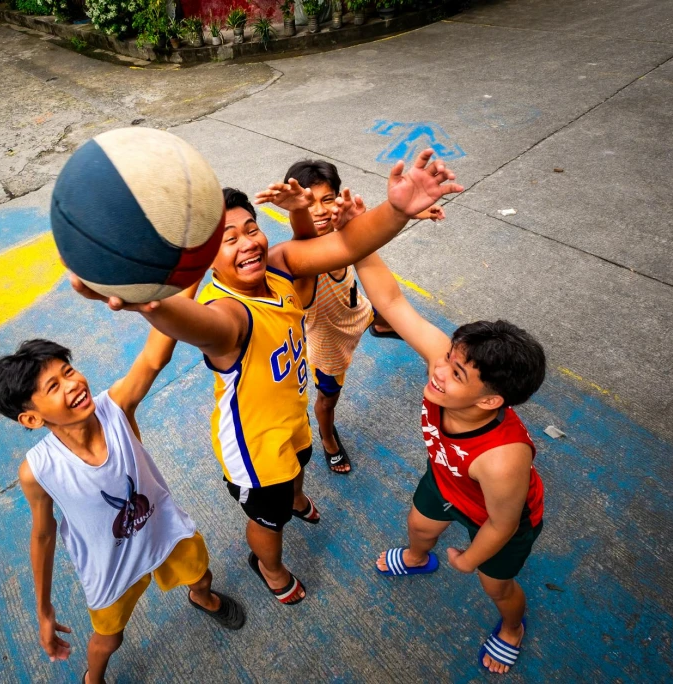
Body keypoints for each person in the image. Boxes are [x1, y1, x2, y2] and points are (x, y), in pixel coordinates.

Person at [71, 149, 463, 607]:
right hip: (255, 449)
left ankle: (298, 499)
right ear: (204, 261)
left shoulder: (279, 265)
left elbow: (346, 245)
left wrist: (396, 209)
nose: (248, 244)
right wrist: (147, 300)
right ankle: (270, 568)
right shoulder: (227, 314)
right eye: (228, 239)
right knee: (268, 520)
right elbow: (193, 323)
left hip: (291, 417)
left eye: (250, 229)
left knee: (302, 462)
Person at [0, 288, 246, 684]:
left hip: (164, 531)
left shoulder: (116, 407)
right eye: (53, 387)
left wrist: (171, 285)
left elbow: (155, 355)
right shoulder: (37, 471)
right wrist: (44, 610)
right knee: (108, 640)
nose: (72, 385)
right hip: (109, 567)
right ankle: (94, 679)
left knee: (202, 576)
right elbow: (43, 536)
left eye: (68, 371)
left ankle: (201, 598)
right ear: (32, 419)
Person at [354, 251, 546, 674]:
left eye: (456, 373)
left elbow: (502, 524)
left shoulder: (501, 460)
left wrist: (470, 558)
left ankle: (512, 628)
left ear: (491, 401)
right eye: (447, 359)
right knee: (420, 527)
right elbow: (390, 301)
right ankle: (419, 557)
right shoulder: (446, 366)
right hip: (445, 478)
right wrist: (358, 239)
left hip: (498, 517)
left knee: (497, 586)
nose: (439, 370)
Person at [282, 159, 445, 473]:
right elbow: (305, 241)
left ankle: (380, 326)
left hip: (356, 310)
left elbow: (368, 230)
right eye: (306, 203)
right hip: (332, 344)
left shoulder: (345, 231)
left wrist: (402, 213)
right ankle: (328, 438)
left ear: (338, 198)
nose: (318, 210)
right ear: (294, 207)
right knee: (328, 401)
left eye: (326, 199)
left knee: (378, 310)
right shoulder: (301, 263)